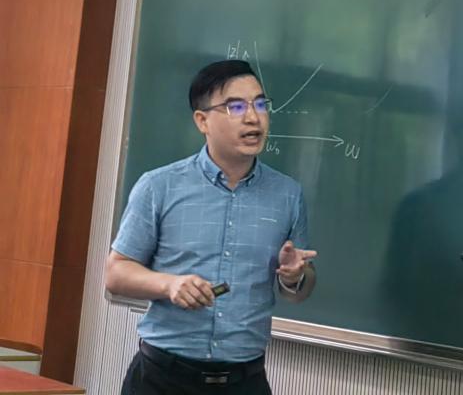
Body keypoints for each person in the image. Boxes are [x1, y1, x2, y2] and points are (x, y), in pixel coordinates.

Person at [106, 59, 317, 394]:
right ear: (202, 120)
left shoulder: (288, 195)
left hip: (245, 381)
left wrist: (294, 277)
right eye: (236, 107)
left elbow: (300, 291)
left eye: (260, 104)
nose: (253, 117)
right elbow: (116, 274)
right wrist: (169, 285)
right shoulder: (159, 186)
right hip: (161, 379)